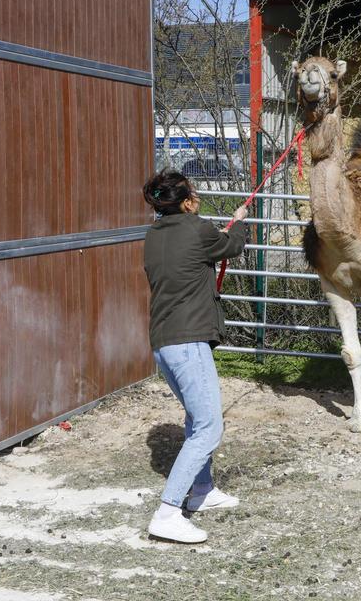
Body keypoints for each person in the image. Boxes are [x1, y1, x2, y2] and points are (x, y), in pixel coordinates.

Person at [141, 168, 249, 543]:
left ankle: (202, 490)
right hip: (188, 343)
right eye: (195, 193)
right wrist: (238, 224)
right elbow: (232, 245)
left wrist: (220, 233)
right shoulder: (197, 228)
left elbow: (203, 249)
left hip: (164, 344)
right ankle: (168, 511)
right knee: (209, 427)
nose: (198, 197)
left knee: (195, 419)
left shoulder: (153, 236)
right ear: (185, 201)